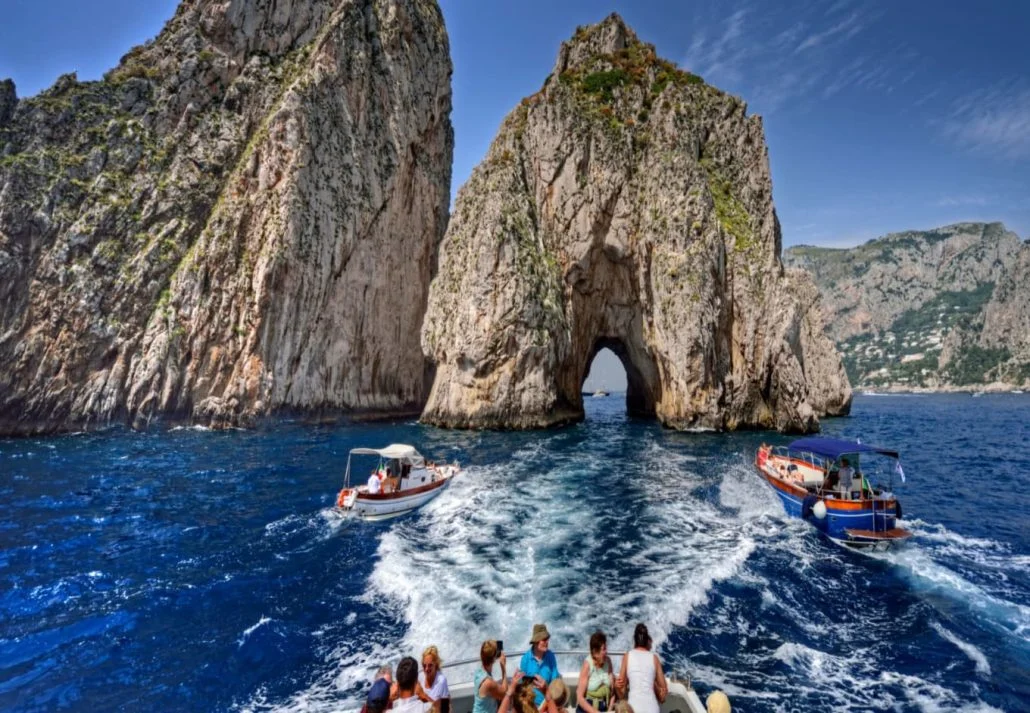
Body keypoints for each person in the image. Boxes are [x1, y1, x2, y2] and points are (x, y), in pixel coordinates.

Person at [616, 624, 666, 713]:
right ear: (647, 640)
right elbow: (662, 698)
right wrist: (654, 684)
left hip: (633, 709)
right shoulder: (654, 658)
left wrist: (616, 687)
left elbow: (621, 695)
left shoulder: (627, 656)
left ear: (634, 640)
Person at [519, 624, 560, 706]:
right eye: (544, 640)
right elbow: (522, 686)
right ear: (535, 642)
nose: (547, 642)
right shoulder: (525, 659)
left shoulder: (551, 656)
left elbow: (555, 683)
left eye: (547, 639)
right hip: (530, 705)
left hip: (547, 702)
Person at [576, 631, 614, 713]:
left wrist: (610, 709)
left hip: (604, 707)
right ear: (595, 652)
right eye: (603, 649)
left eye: (606, 648)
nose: (606, 651)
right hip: (587, 708)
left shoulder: (608, 661)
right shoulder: (587, 665)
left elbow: (612, 692)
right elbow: (580, 698)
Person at [473, 640, 508, 713]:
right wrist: (503, 667)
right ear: (494, 658)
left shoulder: (478, 672)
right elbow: (504, 695)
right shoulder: (488, 682)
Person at [418, 645, 450, 713]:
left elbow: (445, 710)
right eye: (424, 665)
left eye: (430, 665)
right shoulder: (419, 677)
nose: (426, 669)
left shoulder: (441, 681)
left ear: (436, 664)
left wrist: (423, 696)